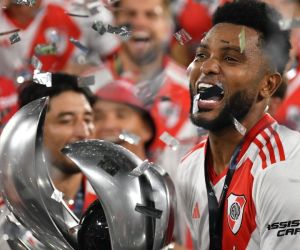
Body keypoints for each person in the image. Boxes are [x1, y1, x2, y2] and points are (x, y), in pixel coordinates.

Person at [176, 1, 300, 249]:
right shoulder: (189, 166)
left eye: (231, 58)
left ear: (267, 85)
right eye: (201, 55)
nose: (207, 66)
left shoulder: (285, 170)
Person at [18, 73, 97, 217]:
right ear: (33, 130)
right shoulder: (9, 207)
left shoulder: (113, 203)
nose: (83, 132)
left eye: (87, 119)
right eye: (66, 120)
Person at [93, 79, 156, 160]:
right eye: (97, 117)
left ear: (146, 128)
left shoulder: (174, 171)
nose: (108, 125)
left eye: (121, 115)